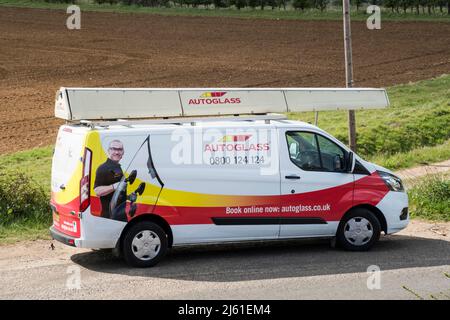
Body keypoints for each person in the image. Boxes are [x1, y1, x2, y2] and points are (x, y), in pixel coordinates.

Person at [94, 140, 125, 219]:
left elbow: (116, 193)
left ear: (123, 152)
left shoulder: (117, 166)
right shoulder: (103, 168)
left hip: (119, 213)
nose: (117, 152)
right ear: (108, 151)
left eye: (120, 149)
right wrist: (114, 186)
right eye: (114, 149)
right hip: (109, 216)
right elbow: (97, 191)